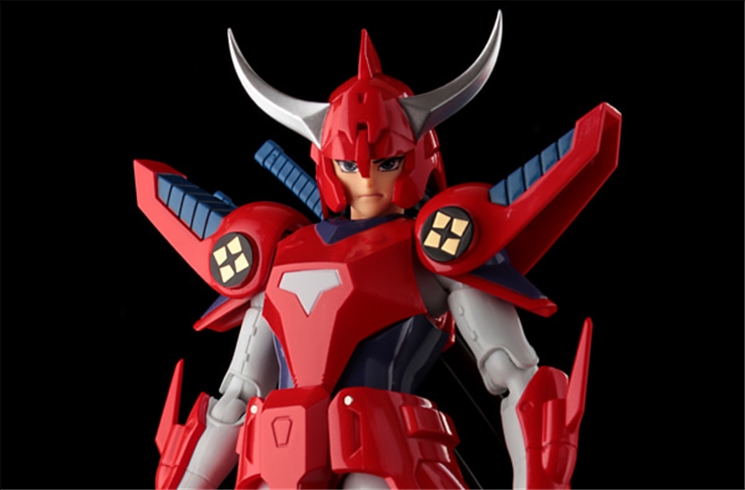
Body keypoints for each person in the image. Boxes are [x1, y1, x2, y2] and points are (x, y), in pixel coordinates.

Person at [136, 10, 621, 489]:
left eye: (386, 162)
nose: (366, 180)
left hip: (386, 468)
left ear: (417, 158)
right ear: (328, 165)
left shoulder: (433, 251)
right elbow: (238, 398)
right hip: (277, 465)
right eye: (348, 165)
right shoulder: (281, 253)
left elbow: (516, 377)